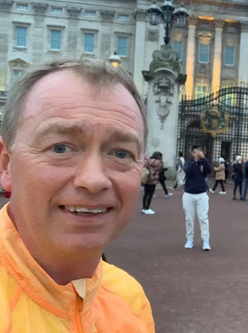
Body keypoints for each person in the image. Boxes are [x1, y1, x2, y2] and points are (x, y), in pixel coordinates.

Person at [0, 58, 154, 331]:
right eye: (60, 148)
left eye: (121, 153)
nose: (93, 180)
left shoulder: (130, 297)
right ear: (6, 166)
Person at [183, 146, 213, 251]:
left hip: (201, 193)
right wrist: (195, 161)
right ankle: (189, 239)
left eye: (199, 151)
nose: (197, 153)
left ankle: (206, 241)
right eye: (195, 152)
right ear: (192, 153)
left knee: (203, 217)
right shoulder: (189, 162)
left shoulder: (204, 162)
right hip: (189, 193)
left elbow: (210, 170)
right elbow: (187, 171)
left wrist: (203, 159)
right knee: (189, 219)